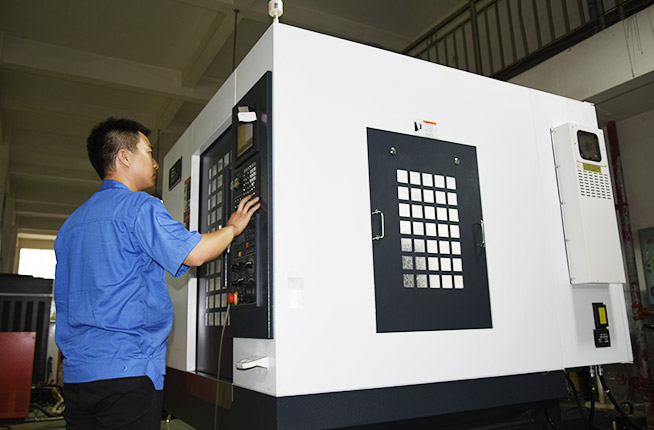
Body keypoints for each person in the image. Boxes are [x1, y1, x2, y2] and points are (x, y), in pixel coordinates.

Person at [54, 117, 259, 430]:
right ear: (124, 156)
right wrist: (232, 228)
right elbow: (195, 253)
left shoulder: (71, 224)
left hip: (78, 378)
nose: (155, 163)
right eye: (149, 153)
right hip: (127, 374)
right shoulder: (139, 206)